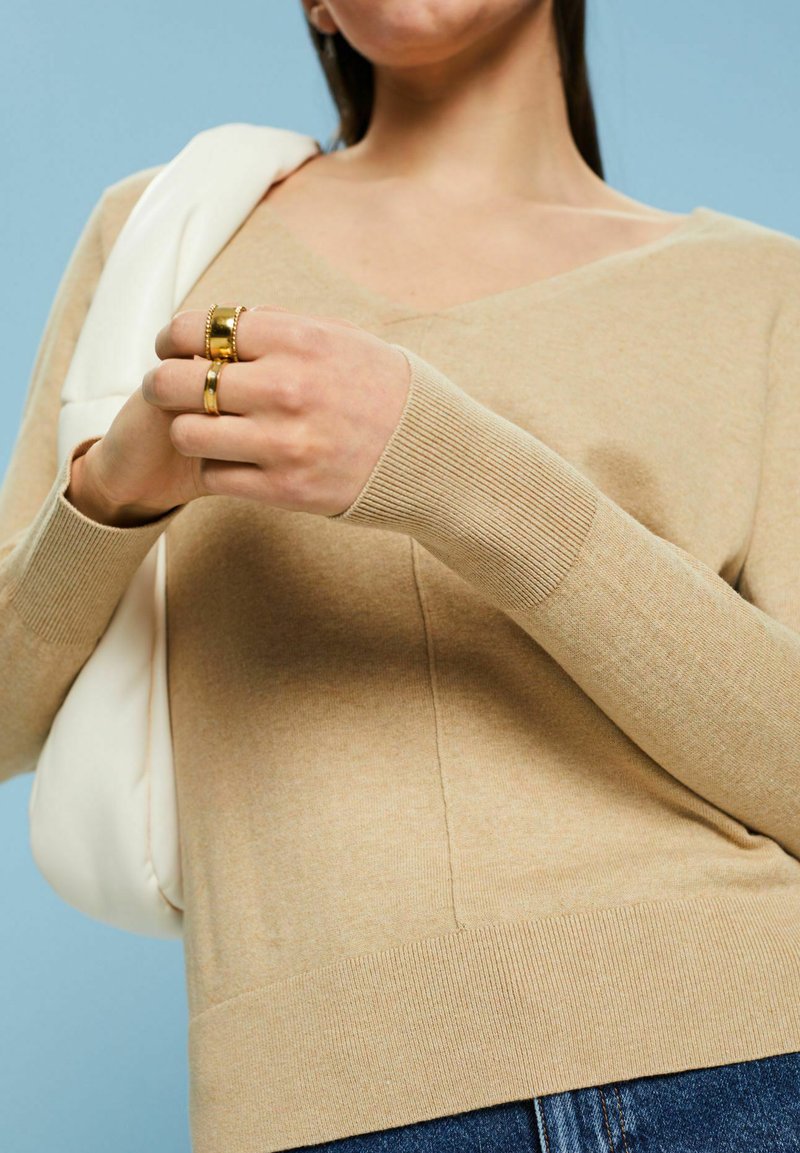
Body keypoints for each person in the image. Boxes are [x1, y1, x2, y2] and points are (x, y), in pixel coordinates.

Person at [2, 1, 800, 1150]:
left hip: (740, 1061)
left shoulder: (760, 292)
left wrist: (445, 466)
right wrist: (112, 491)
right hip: (323, 1094)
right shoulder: (169, 241)